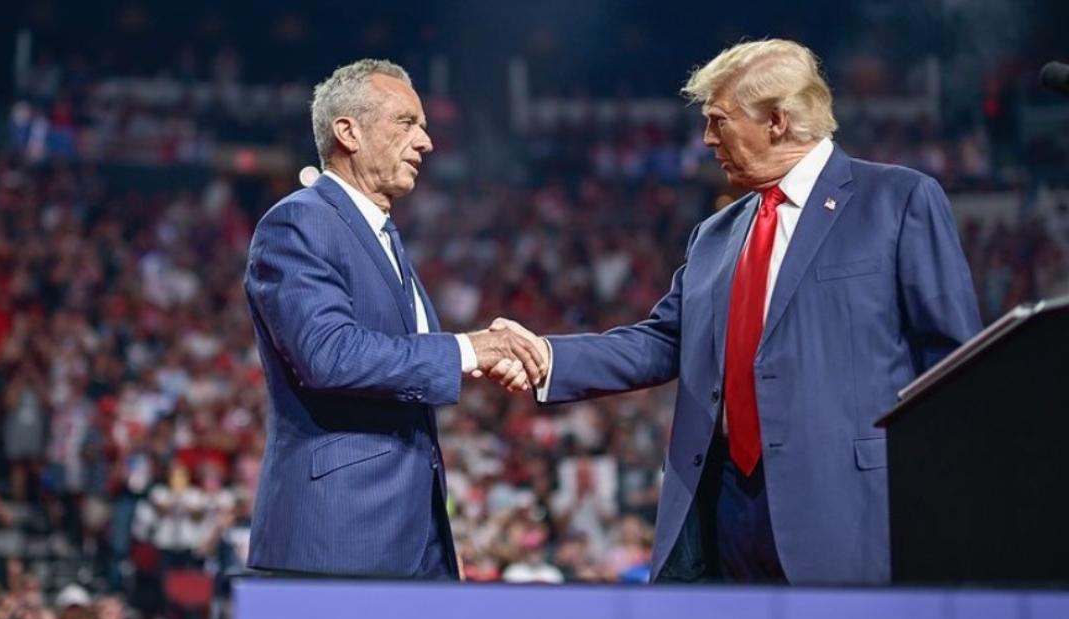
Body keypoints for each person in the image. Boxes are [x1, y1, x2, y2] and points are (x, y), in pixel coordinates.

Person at [492, 39, 981, 584]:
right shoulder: (716, 234)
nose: (706, 139)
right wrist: (546, 357)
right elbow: (663, 341)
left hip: (851, 508)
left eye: (718, 120)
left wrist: (951, 509)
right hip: (727, 511)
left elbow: (955, 366)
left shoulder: (897, 199)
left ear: (776, 120)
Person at [243, 59, 546, 579]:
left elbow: (408, 367)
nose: (426, 141)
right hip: (338, 537)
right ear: (348, 132)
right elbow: (330, 356)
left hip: (412, 535)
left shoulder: (384, 238)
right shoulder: (300, 221)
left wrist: (481, 359)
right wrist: (468, 350)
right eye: (407, 123)